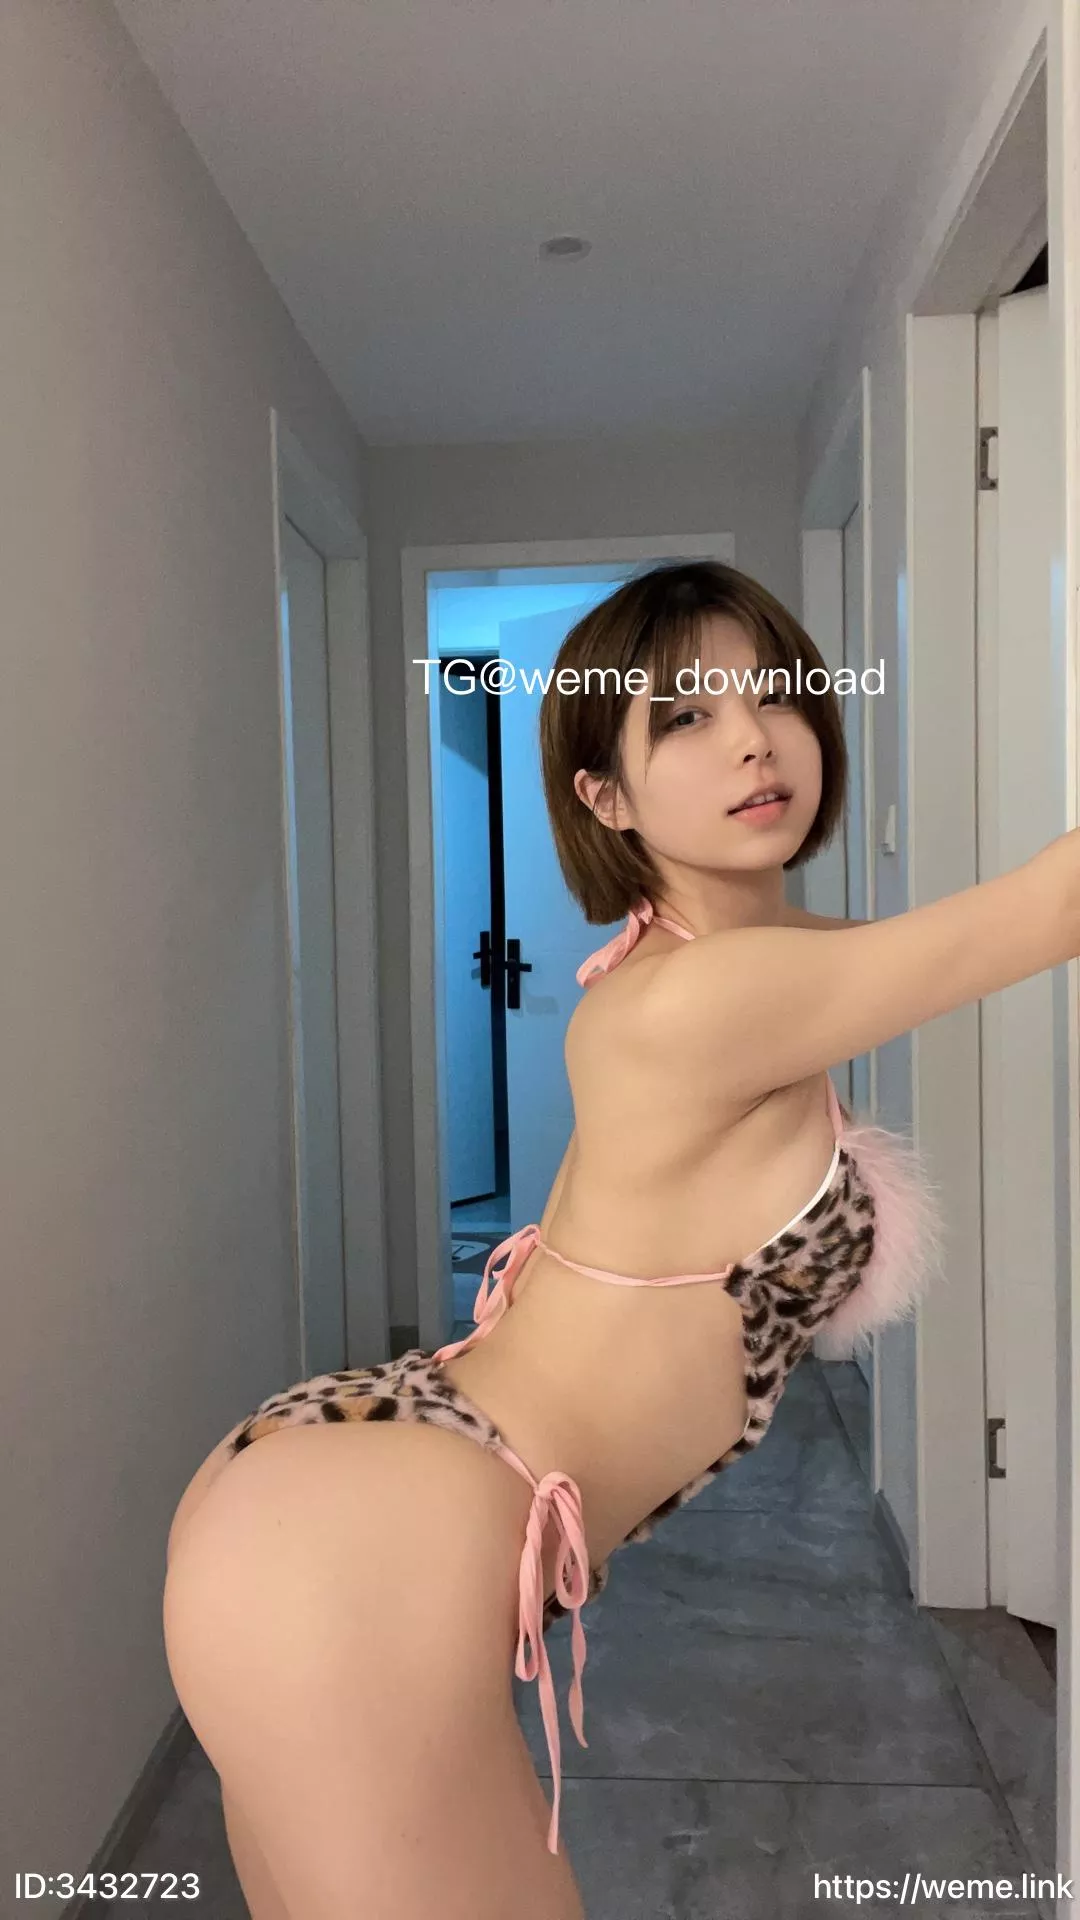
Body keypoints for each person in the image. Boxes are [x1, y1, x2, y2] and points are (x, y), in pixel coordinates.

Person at [161, 561, 1077, 1920]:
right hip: (374, 1540)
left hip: (341, 1497)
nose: (754, 738)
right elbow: (1052, 908)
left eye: (775, 695)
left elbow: (912, 946)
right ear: (604, 795)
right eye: (685, 717)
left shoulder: (743, 966)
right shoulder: (707, 1000)